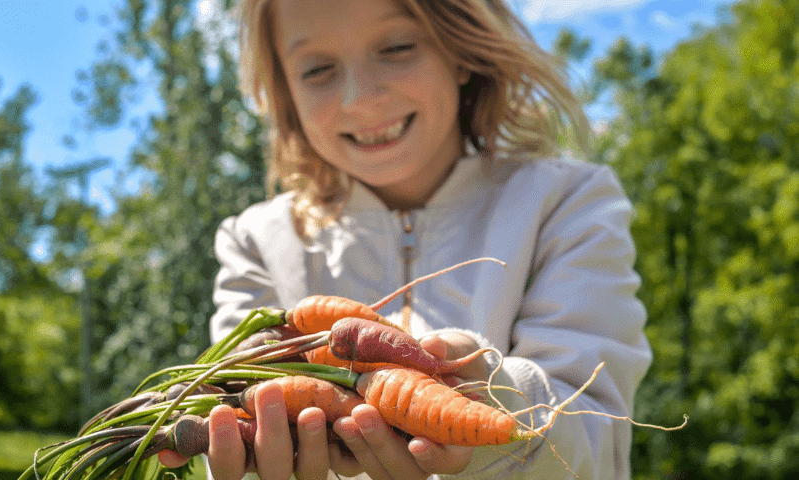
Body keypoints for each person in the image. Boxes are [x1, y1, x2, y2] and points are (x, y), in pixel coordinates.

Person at [160, 0, 651, 478]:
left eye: (396, 48)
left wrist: (482, 395)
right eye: (317, 70)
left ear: (460, 50)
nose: (360, 97)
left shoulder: (568, 203)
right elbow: (236, 407)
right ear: (286, 90)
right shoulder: (255, 242)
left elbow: (595, 441)